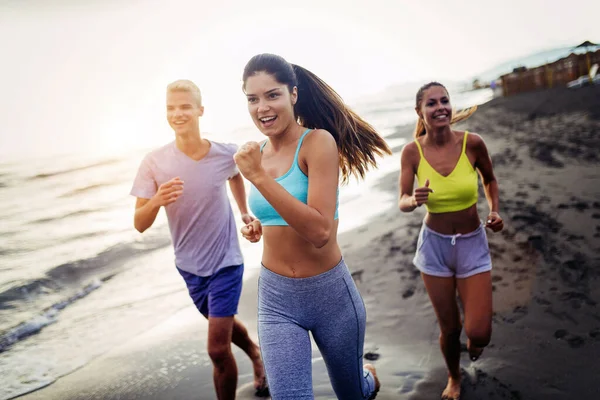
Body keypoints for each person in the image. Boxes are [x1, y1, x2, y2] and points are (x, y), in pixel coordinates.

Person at [233, 53, 391, 400]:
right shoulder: (256, 153)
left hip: (330, 295)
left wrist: (257, 176)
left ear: (293, 94)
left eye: (272, 95)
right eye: (252, 98)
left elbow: (321, 233)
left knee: (353, 393)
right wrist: (254, 221)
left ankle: (368, 380)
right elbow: (278, 209)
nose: (262, 107)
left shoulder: (318, 142)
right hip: (276, 299)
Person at [130, 79, 268, 399]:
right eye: (170, 108)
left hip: (226, 261)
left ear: (200, 110)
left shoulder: (223, 154)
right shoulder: (154, 162)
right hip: (190, 267)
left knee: (217, 349)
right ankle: (256, 353)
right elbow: (139, 224)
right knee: (226, 325)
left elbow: (236, 172)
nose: (177, 113)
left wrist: (244, 212)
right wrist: (156, 200)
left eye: (185, 107)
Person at [398, 82, 504, 400]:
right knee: (450, 328)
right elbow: (402, 199)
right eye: (432, 103)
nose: (441, 107)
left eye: (445, 100)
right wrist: (413, 200)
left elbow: (490, 179)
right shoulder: (411, 151)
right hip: (435, 248)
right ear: (420, 111)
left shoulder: (473, 143)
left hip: (472, 243)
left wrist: (495, 211)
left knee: (479, 333)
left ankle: (473, 346)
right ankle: (454, 378)